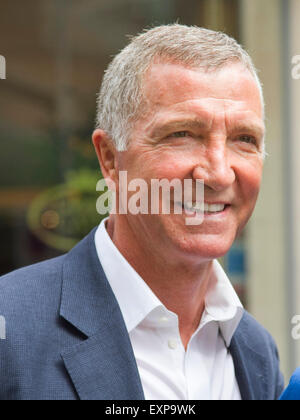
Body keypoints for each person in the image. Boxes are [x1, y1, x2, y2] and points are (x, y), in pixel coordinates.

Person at [0, 24, 284, 400]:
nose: (218, 172)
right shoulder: (11, 332)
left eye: (244, 139)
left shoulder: (255, 351)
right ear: (110, 159)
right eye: (183, 134)